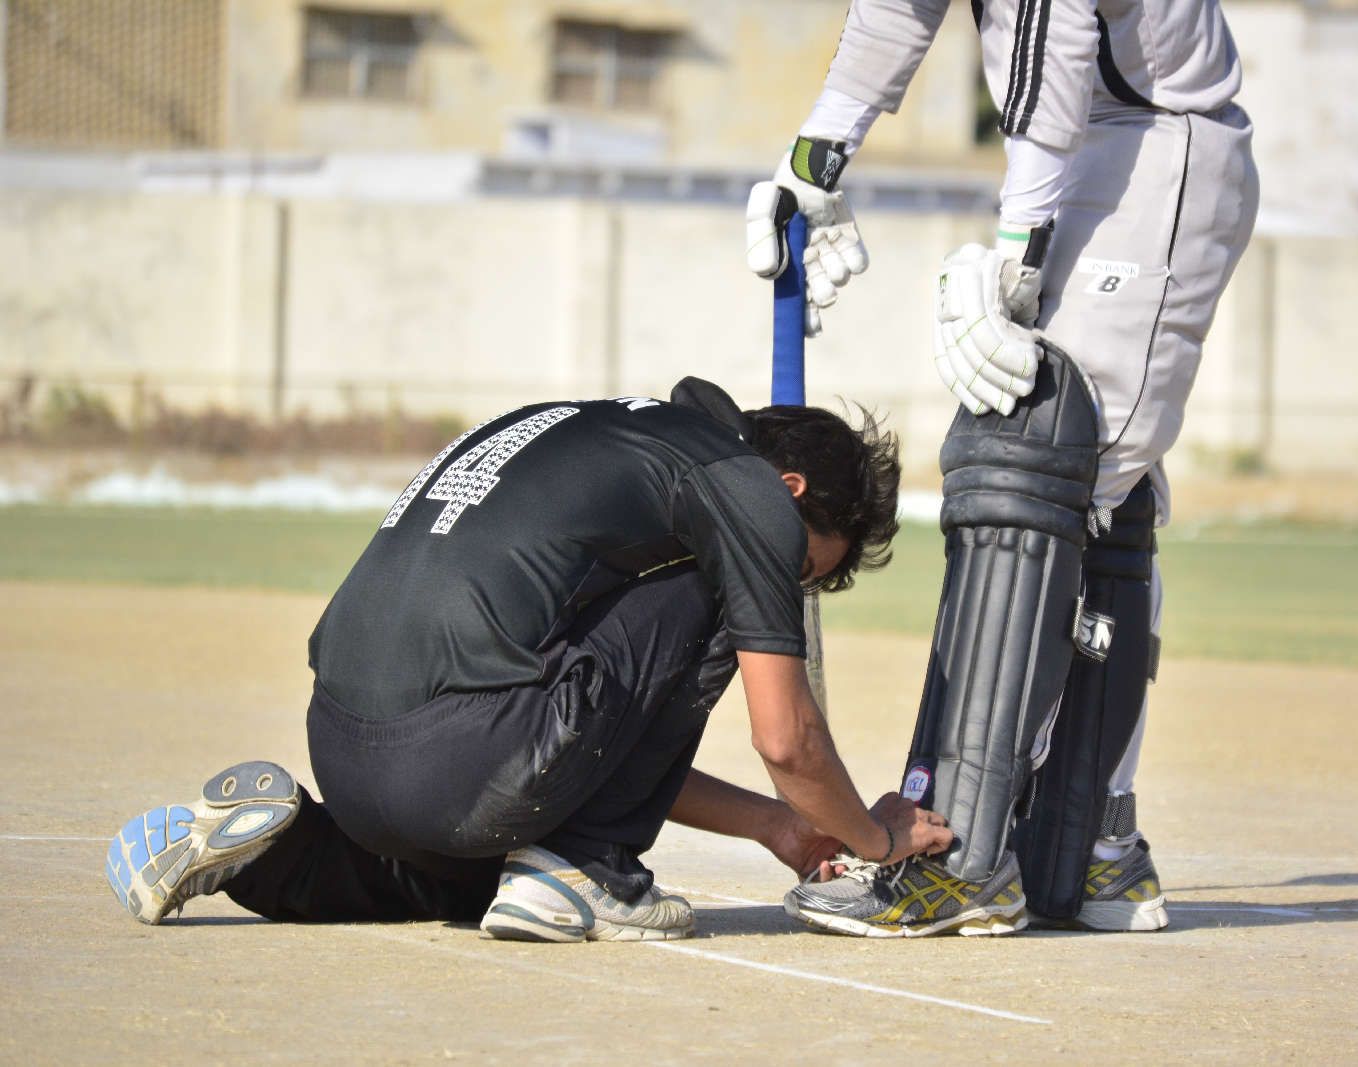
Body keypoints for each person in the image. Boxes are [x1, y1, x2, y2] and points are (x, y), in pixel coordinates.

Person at [104, 377, 965, 943]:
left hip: (349, 753)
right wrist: (879, 837)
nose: (783, 587)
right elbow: (786, 741)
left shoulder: (591, 432)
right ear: (789, 492)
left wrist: (779, 826)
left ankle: (281, 847)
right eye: (800, 568)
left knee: (478, 880)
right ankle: (590, 869)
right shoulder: (745, 498)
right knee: (720, 586)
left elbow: (603, 744)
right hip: (467, 753)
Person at [747, 0, 1259, 936]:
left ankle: (971, 855)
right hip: (1096, 146)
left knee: (1039, 460)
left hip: (1155, 144)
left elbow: (1049, 30)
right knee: (1083, 488)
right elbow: (898, 9)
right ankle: (1085, 844)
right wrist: (813, 160)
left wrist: (1021, 247)